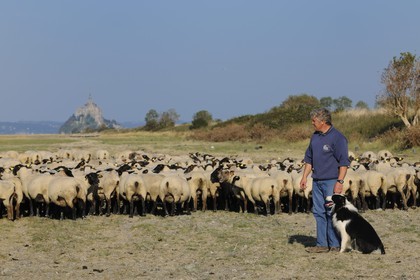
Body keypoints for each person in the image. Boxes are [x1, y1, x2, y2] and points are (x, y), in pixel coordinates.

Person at [300, 108, 350, 253]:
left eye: (314, 121)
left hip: (331, 182)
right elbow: (309, 159)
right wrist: (304, 177)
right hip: (317, 181)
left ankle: (334, 244)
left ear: (323, 121)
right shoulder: (314, 137)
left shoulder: (338, 138)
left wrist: (339, 182)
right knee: (318, 212)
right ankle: (321, 244)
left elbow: (344, 163)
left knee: (331, 212)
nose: (312, 123)